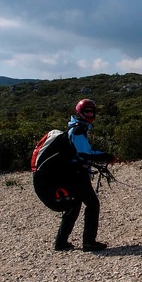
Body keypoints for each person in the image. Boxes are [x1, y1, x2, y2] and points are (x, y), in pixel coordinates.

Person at [54, 99, 114, 252]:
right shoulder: (78, 130)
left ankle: (60, 242)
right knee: (92, 204)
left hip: (70, 174)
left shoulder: (75, 128)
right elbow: (84, 153)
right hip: (76, 174)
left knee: (74, 206)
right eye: (87, 111)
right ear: (80, 112)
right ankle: (89, 242)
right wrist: (106, 156)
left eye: (91, 111)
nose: (89, 114)